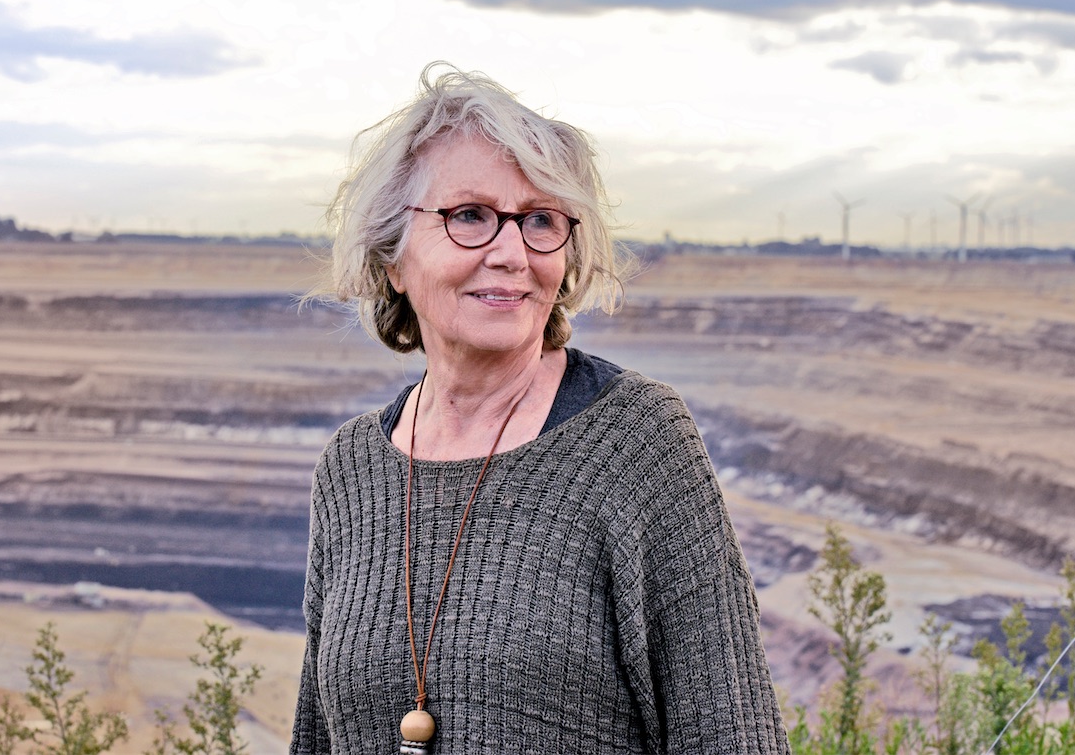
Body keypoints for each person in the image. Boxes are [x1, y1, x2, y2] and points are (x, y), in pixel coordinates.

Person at [292, 65, 789, 755]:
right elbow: (317, 739)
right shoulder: (350, 470)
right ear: (393, 258)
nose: (511, 252)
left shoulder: (636, 440)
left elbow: (733, 735)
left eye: (540, 221)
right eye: (469, 215)